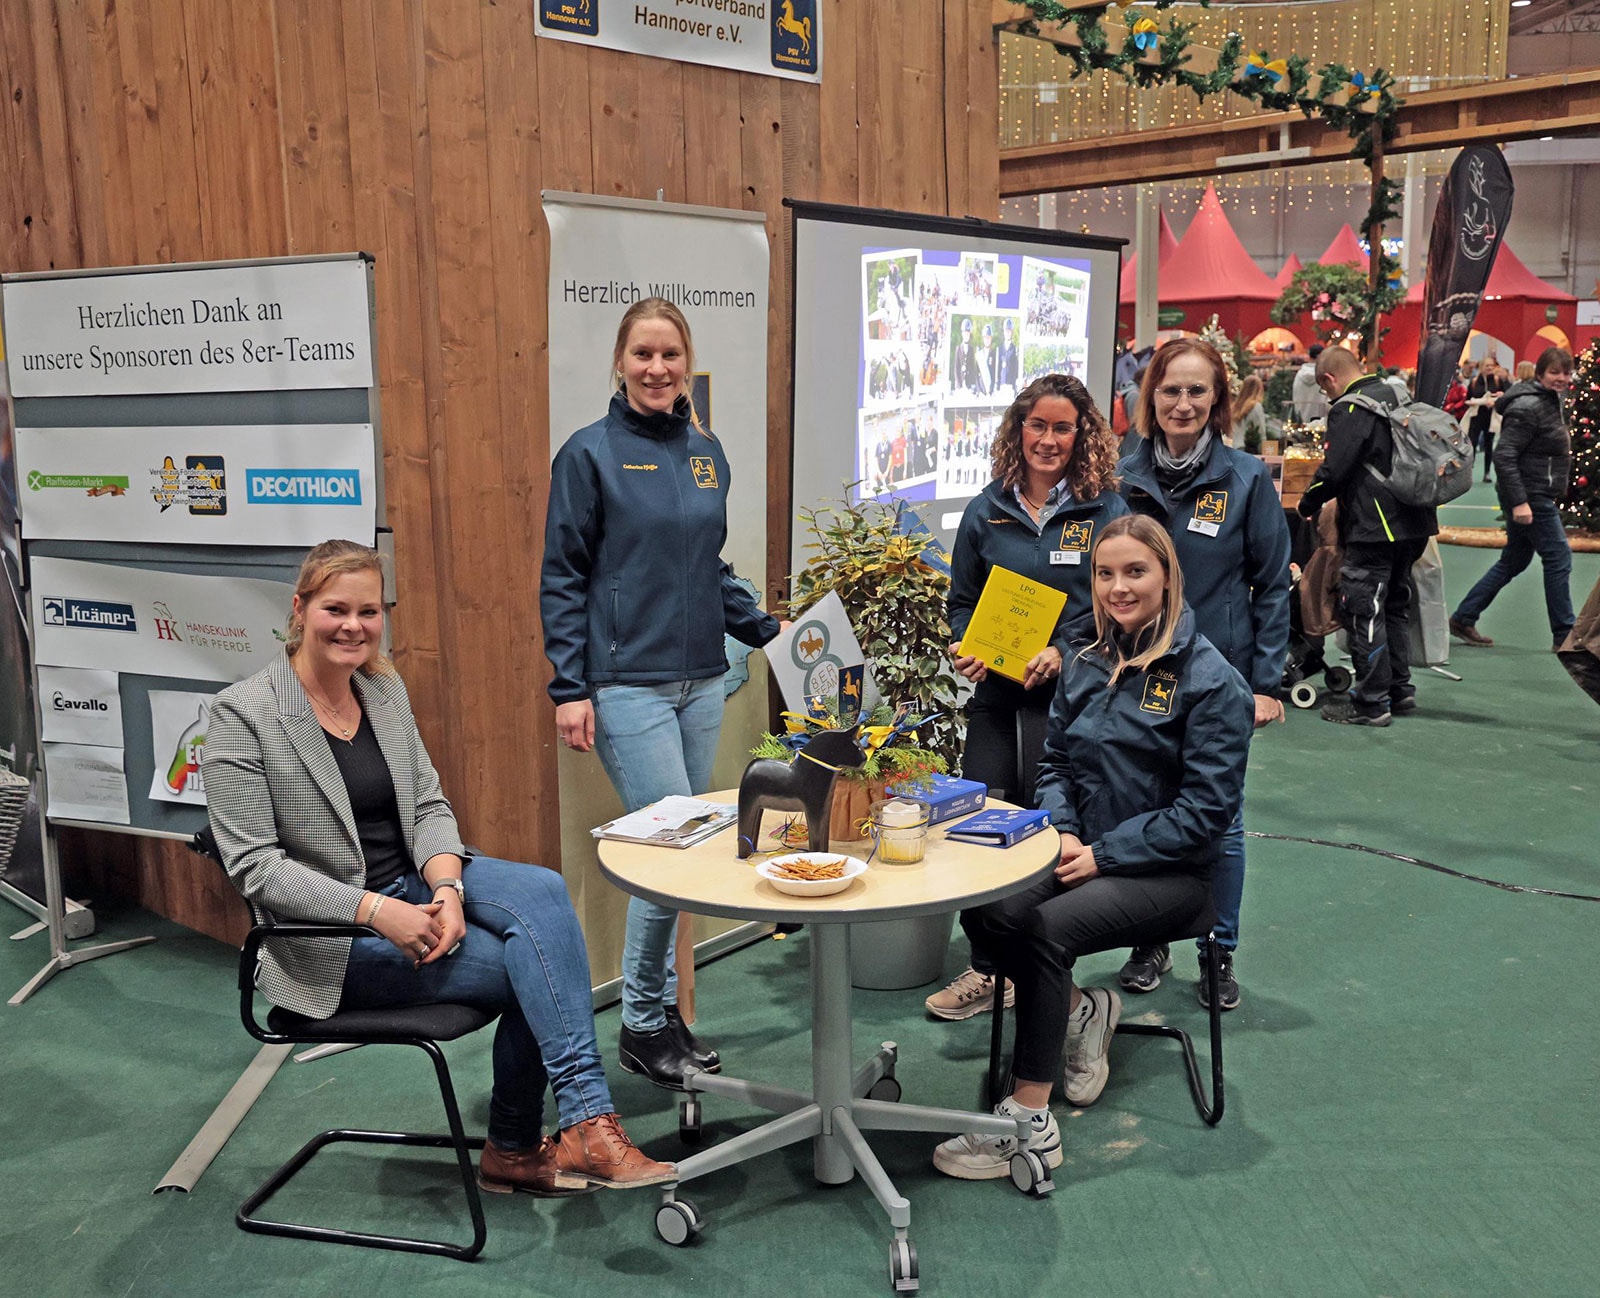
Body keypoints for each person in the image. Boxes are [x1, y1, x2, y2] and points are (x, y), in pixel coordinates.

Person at [203, 541, 674, 1197]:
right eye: (336, 608)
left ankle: (582, 1124)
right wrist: (377, 912)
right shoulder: (241, 715)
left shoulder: (382, 689)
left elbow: (428, 805)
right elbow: (257, 870)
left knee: (541, 889)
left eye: (369, 611)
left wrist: (447, 887)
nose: (353, 626)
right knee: (529, 967)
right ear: (300, 608)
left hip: (415, 886)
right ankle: (524, 1144)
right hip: (332, 938)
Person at [931, 515, 1252, 1180]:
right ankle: (1082, 1010)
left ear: (1167, 577)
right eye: (1105, 573)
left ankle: (1028, 1125)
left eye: (1135, 572)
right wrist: (1067, 831)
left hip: (1174, 875)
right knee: (993, 909)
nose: (1117, 587)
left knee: (1046, 929)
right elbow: (1056, 767)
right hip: (1082, 848)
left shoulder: (1213, 682)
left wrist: (1106, 854)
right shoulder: (1088, 661)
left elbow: (1206, 812)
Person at [541, 298, 783, 1091]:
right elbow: (564, 576)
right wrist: (569, 687)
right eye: (643, 354)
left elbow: (704, 566)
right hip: (625, 688)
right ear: (619, 361)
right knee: (671, 849)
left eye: (671, 355)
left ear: (687, 364)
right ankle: (644, 1022)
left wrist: (762, 626)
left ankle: (656, 1017)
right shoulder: (588, 454)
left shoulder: (705, 453)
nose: (657, 369)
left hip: (700, 680)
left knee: (687, 847)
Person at [927, 374, 1130, 1022]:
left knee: (1045, 832)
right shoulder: (988, 508)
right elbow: (961, 601)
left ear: (1082, 435)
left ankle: (1045, 976)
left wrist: (1066, 652)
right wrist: (967, 644)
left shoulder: (1105, 512)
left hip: (1070, 701)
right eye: (1036, 426)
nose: (1047, 439)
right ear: (1019, 431)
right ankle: (990, 967)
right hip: (995, 694)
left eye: (1061, 427)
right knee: (970, 826)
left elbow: (1119, 608)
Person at [1117, 338, 1290, 1011]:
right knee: (1141, 807)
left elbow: (1273, 586)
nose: (1182, 403)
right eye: (1170, 390)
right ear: (1150, 399)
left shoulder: (1246, 479)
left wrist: (1266, 683)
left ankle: (1219, 949)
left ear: (1217, 399)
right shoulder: (1122, 476)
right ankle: (1149, 937)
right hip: (1136, 675)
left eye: (1197, 391)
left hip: (1219, 682)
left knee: (1220, 819)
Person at [1297, 346, 1439, 725]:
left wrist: (1307, 503)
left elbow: (1335, 470)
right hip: (1416, 523)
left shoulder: (1350, 408)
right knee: (1393, 604)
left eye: (1325, 390)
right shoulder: (1398, 394)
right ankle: (1399, 690)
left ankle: (1371, 703)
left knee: (1364, 610)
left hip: (1375, 527)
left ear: (1328, 379)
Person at [1448, 346, 1576, 653]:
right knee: (1559, 558)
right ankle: (1565, 635)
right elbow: (1505, 456)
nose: (1561, 378)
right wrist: (1520, 502)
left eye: (1565, 373)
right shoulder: (1529, 406)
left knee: (1515, 560)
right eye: (1554, 372)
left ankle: (1464, 617)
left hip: (1536, 491)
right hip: (1531, 495)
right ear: (1541, 373)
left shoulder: (1549, 401)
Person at [1467, 357, 1510, 484]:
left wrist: (1497, 400)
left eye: (1491, 365)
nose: (1490, 368)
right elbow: (1468, 398)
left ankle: (1487, 472)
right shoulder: (1474, 381)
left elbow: (1505, 396)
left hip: (1490, 417)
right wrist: (1477, 402)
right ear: (1481, 367)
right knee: (1472, 443)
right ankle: (1469, 471)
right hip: (1476, 416)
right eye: (1487, 365)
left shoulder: (1497, 381)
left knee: (1488, 444)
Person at [1232, 373, 1268, 454]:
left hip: (1233, 448)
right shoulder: (1256, 407)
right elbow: (1260, 432)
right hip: (1248, 449)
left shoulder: (1235, 407)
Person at [1293, 344, 1328, 423]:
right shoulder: (1323, 376)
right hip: (1320, 421)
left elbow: (1295, 397)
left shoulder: (1299, 375)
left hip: (1301, 419)